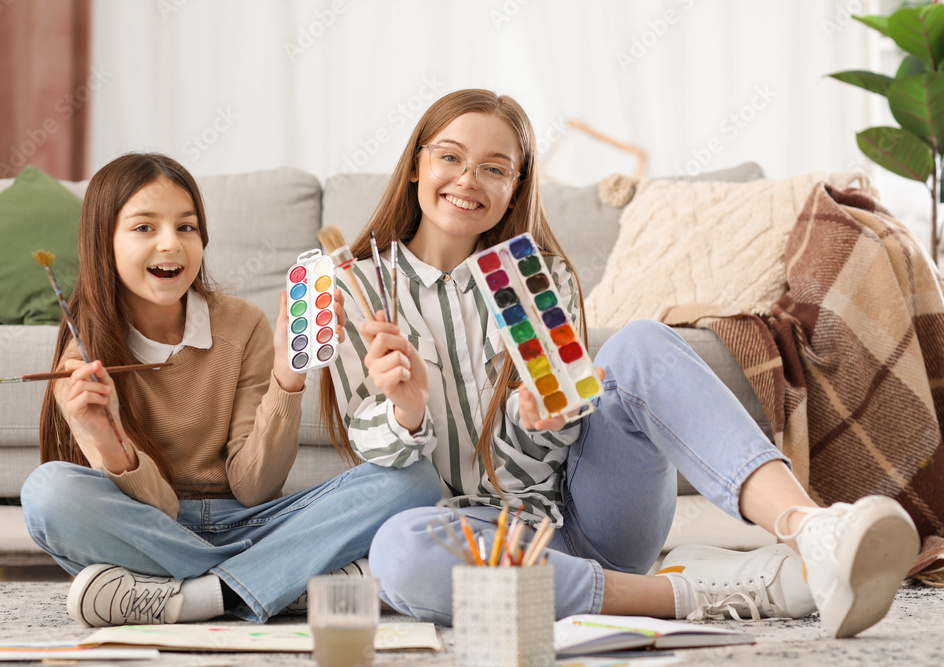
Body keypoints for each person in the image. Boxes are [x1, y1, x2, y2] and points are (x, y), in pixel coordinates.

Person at [319, 89, 920, 639]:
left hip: (586, 524)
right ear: (418, 162)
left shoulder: (537, 278)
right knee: (397, 552)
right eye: (449, 157)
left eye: (494, 168)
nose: (467, 180)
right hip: (467, 541)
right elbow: (370, 456)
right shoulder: (353, 287)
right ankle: (689, 594)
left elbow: (559, 437)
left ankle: (811, 531)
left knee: (639, 341)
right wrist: (406, 412)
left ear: (515, 184)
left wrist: (544, 425)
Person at [22, 152, 439, 628]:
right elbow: (158, 510)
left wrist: (288, 375)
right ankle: (281, 581)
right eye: (143, 228)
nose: (170, 244)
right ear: (103, 242)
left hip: (254, 524)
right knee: (47, 493)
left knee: (414, 479)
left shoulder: (243, 324)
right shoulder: (84, 354)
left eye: (186, 227)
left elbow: (255, 486)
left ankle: (201, 596)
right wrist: (106, 434)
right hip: (156, 530)